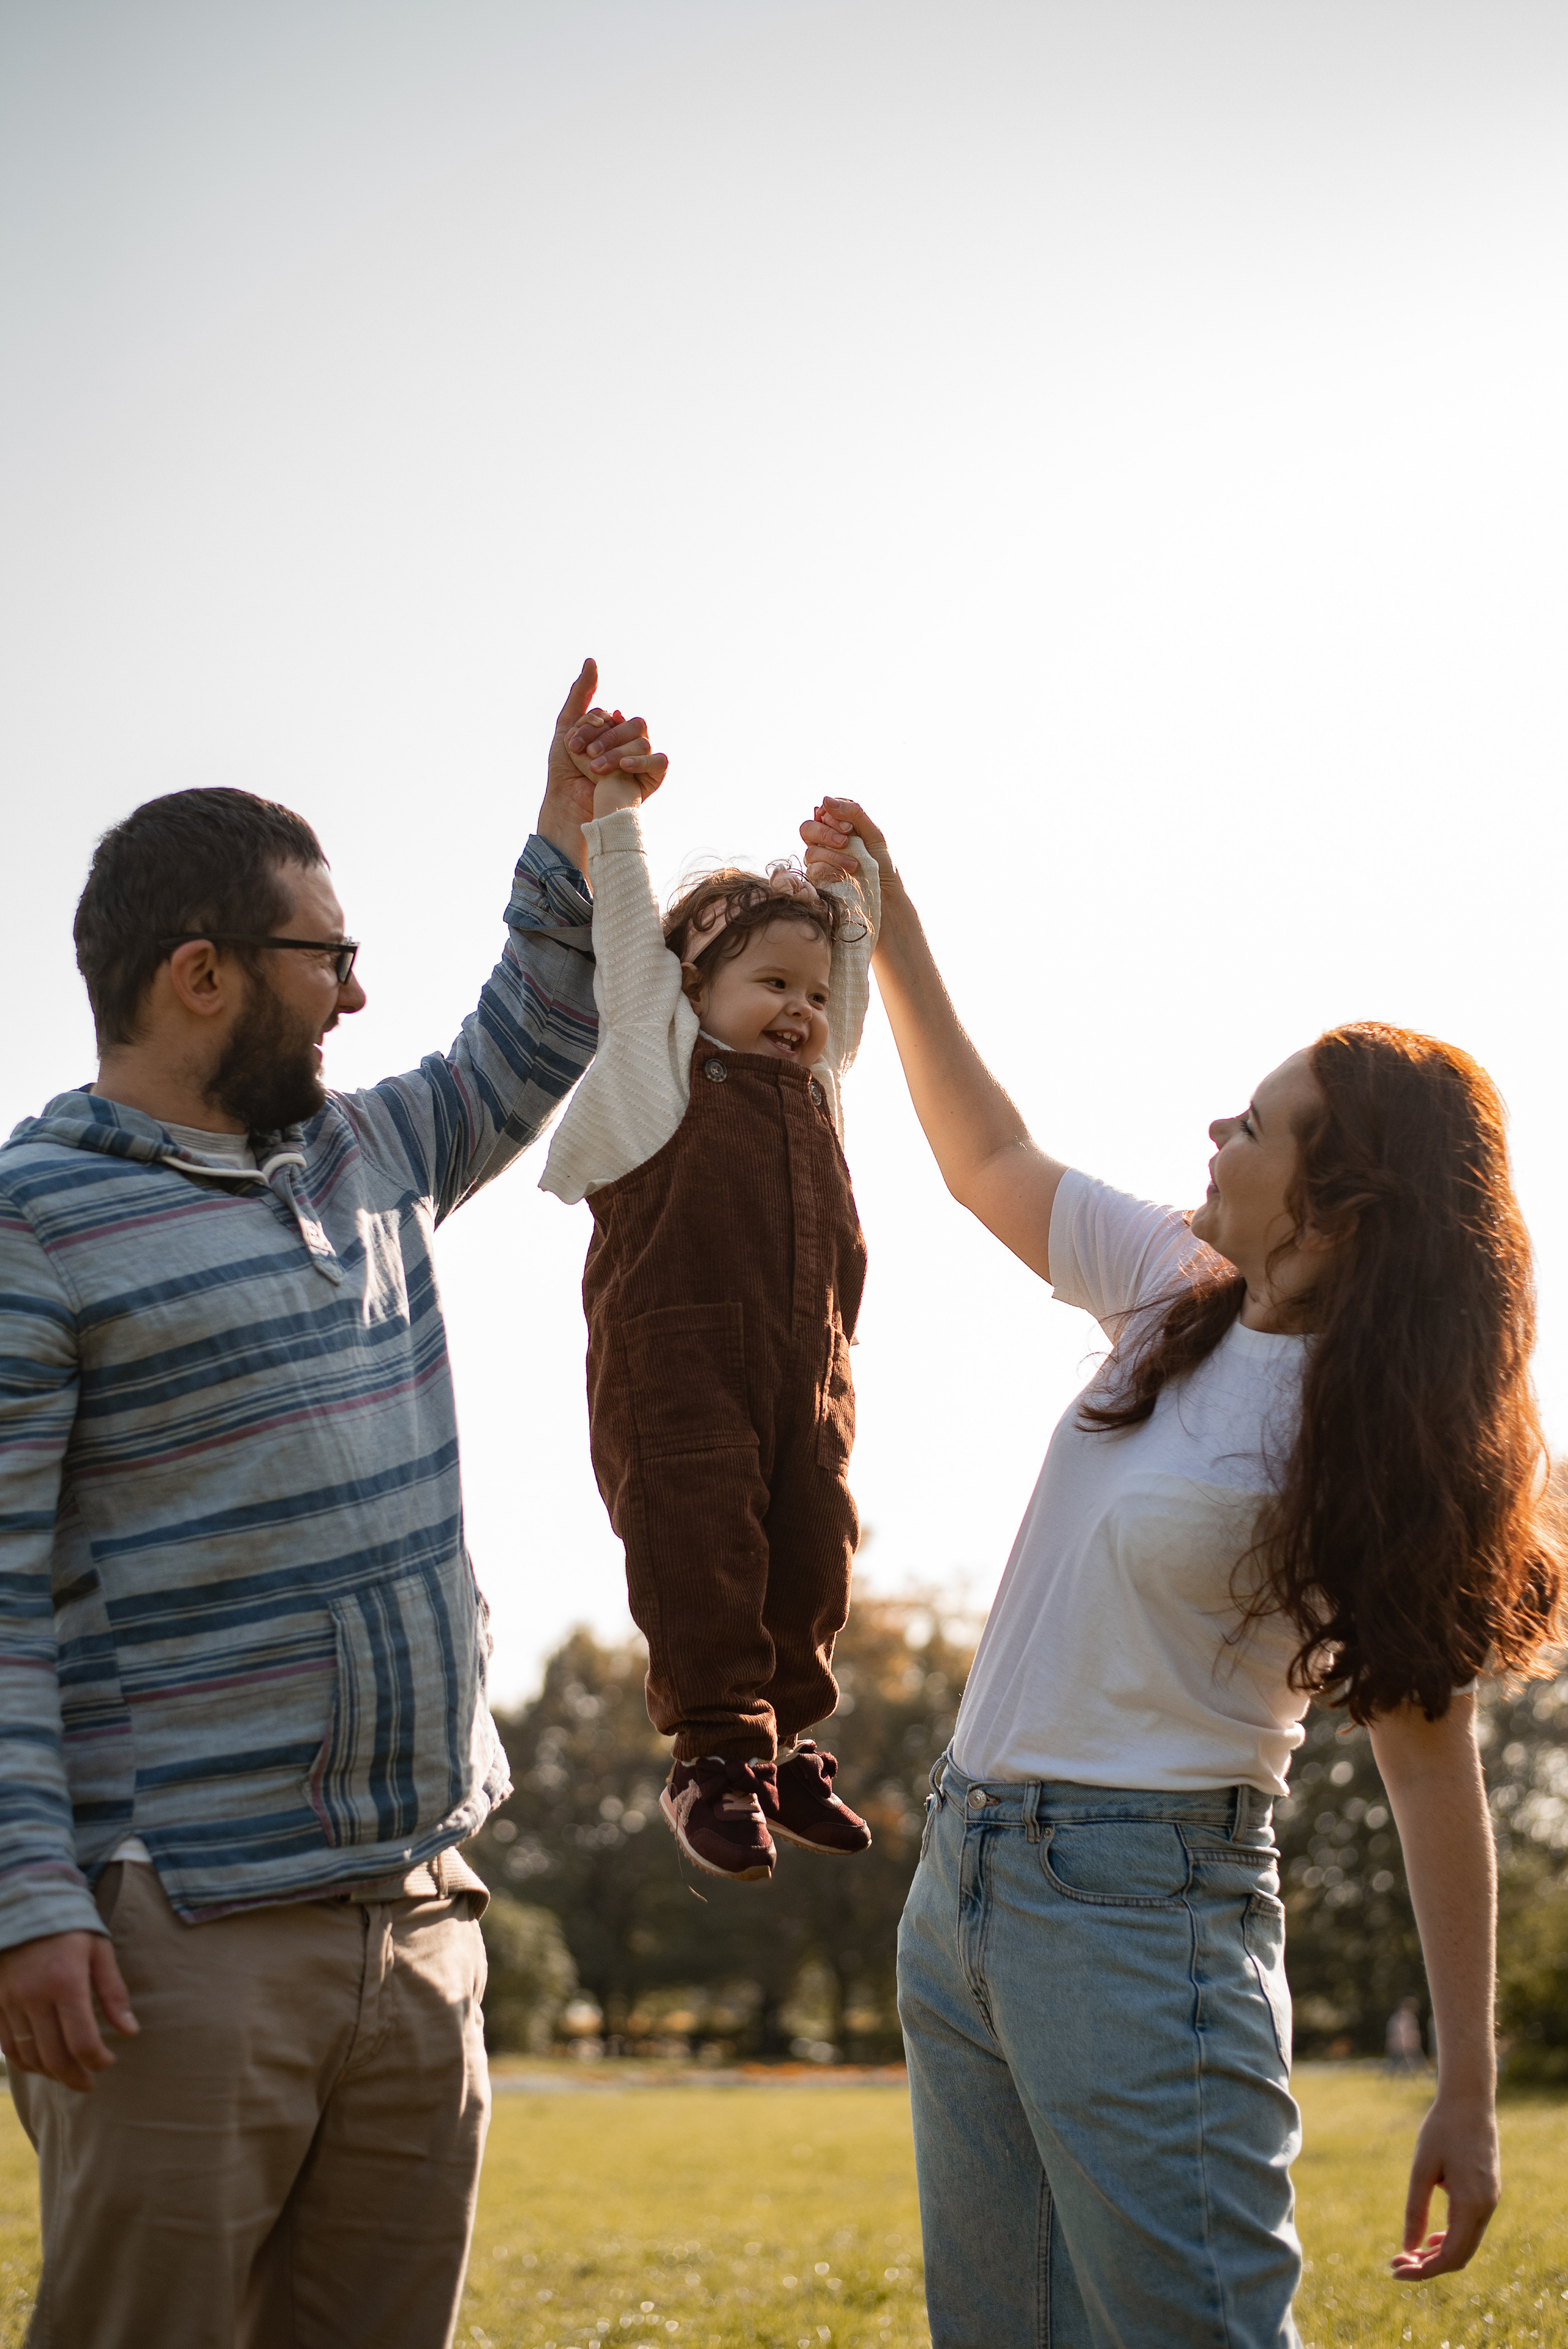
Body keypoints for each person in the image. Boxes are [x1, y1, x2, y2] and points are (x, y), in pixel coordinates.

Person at [800, 795, 1563, 2349]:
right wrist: (891, 923)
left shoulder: (1379, 1439)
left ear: (1339, 1208)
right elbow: (986, 1156)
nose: (1215, 1133)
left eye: (1253, 1124)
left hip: (1147, 1908)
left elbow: (1432, 1780)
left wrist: (1465, 2096)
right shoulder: (1172, 1289)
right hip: (965, 1883)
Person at [0, 663, 665, 2349]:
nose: (358, 998)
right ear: (202, 973)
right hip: (178, 1939)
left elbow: (531, 1034)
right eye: (330, 958)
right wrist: (30, 1902)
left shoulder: (360, 1159)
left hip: (423, 1915)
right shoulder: (35, 1222)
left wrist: (567, 831)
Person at [538, 731, 880, 1882]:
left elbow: (856, 979)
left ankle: (780, 1746)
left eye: (814, 995)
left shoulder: (819, 1087)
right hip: (678, 1360)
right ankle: (713, 1756)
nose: (802, 1011)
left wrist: (849, 880)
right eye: (772, 985)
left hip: (807, 1368)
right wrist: (617, 808)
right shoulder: (660, 1054)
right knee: (702, 1536)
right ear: (693, 985)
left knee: (813, 1545)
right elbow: (631, 935)